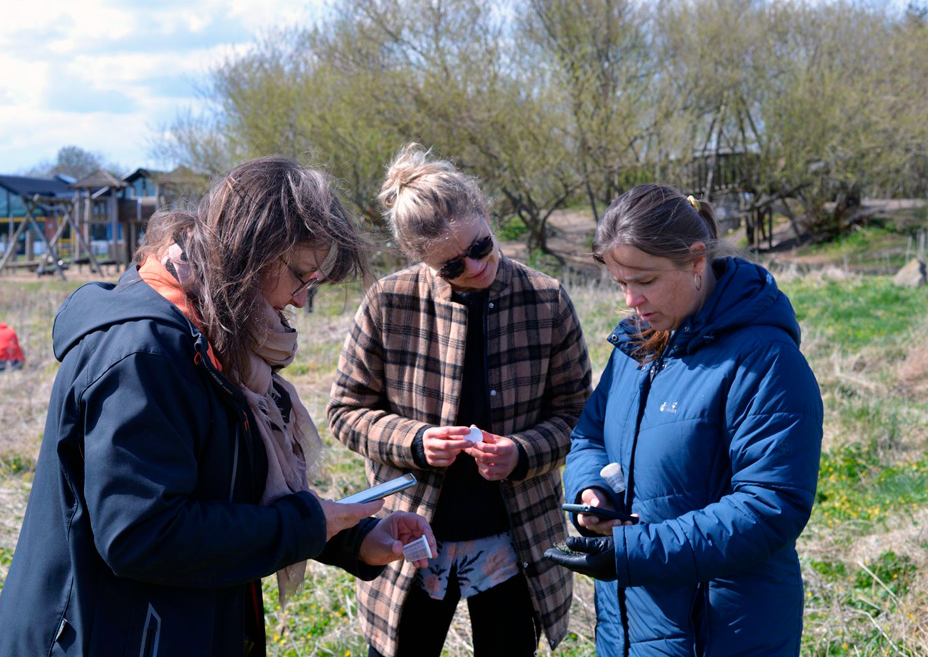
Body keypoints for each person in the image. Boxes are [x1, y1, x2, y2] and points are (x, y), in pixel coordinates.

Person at [0, 156, 435, 657]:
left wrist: (351, 537)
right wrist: (306, 526)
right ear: (253, 250)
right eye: (301, 276)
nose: (302, 300)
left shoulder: (216, 341)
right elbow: (144, 534)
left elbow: (227, 492)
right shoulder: (145, 355)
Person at [328, 144, 592, 657]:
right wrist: (417, 441)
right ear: (421, 261)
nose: (475, 266)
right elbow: (344, 412)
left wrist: (522, 452)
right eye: (452, 265)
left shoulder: (546, 297)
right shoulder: (389, 300)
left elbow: (579, 415)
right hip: (409, 534)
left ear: (488, 216)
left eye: (482, 245)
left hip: (518, 534)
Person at [545, 184, 823, 656]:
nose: (631, 300)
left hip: (723, 632)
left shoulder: (765, 361)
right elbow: (589, 435)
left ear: (696, 261)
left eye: (645, 281)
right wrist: (592, 491)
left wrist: (632, 551)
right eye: (620, 284)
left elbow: (770, 507)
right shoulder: (637, 347)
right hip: (628, 627)